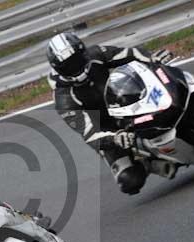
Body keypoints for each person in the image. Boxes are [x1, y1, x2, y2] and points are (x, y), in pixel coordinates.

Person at [46, 32, 174, 195]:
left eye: (77, 61)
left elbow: (129, 54)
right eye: (69, 67)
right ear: (58, 69)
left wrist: (152, 58)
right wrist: (114, 138)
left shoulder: (95, 55)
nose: (76, 68)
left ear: (83, 53)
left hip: (126, 105)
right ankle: (148, 164)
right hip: (107, 132)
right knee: (129, 181)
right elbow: (89, 135)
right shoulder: (63, 99)